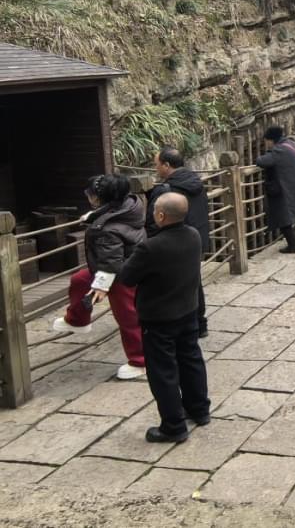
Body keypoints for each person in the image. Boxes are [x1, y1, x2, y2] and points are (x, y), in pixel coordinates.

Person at [118, 192, 210, 443]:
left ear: (160, 215)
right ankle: (199, 409)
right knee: (191, 359)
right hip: (188, 310)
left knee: (163, 371)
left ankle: (173, 425)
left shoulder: (151, 247)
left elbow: (127, 277)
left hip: (159, 317)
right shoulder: (193, 235)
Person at [52, 174, 146, 380]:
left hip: (120, 274)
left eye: (89, 194)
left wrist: (101, 286)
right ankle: (78, 320)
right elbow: (108, 215)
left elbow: (110, 261)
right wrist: (92, 217)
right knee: (79, 280)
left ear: (97, 198)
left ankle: (140, 361)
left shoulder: (108, 229)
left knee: (128, 316)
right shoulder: (131, 204)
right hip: (116, 265)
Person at [146, 147, 211, 338]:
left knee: (172, 285)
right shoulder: (195, 181)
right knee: (193, 281)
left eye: (157, 164)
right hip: (196, 238)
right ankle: (200, 323)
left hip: (173, 242)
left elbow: (153, 222)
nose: (156, 168)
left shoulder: (166, 190)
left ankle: (183, 325)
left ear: (166, 165)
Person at [256, 126, 295, 253]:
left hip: (286, 187)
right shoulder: (292, 144)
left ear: (271, 140)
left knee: (283, 216)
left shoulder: (278, 151)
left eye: (266, 141)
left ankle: (292, 246)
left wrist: (267, 153)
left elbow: (261, 161)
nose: (266, 144)